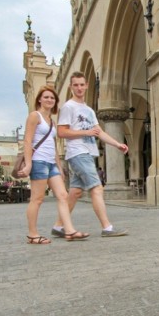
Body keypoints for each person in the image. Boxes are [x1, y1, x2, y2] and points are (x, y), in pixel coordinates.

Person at [51, 72, 129, 238]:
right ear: (71, 87)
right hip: (78, 153)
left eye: (81, 84)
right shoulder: (68, 107)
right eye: (76, 85)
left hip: (87, 152)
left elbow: (98, 132)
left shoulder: (89, 110)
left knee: (76, 192)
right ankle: (107, 227)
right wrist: (85, 131)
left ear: (86, 86)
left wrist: (117, 144)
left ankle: (58, 226)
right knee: (97, 188)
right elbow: (61, 132)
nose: (79, 88)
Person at [16, 85, 89, 244]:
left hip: (51, 163)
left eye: (52, 98)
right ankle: (33, 234)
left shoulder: (52, 122)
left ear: (55, 102)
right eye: (46, 97)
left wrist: (59, 167)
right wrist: (28, 164)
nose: (49, 100)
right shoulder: (34, 116)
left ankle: (69, 230)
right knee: (37, 199)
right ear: (40, 99)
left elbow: (54, 147)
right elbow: (27, 140)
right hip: (39, 162)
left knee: (63, 195)